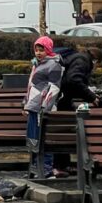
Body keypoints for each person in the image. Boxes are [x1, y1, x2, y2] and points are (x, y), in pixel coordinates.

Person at [24, 35, 65, 179]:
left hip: (43, 109)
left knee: (44, 139)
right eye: (36, 50)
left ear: (48, 49)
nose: (39, 53)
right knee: (34, 139)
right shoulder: (36, 64)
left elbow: (54, 88)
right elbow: (31, 86)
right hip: (33, 107)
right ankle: (36, 167)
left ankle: (46, 169)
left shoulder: (54, 65)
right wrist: (26, 103)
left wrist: (45, 108)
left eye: (42, 50)